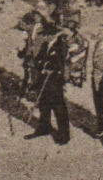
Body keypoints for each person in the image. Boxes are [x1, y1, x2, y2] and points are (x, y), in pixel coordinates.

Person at [27, 12, 72, 145]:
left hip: (55, 79)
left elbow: (62, 60)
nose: (45, 36)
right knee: (43, 104)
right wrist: (41, 66)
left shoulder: (61, 43)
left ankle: (64, 135)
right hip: (44, 77)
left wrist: (51, 67)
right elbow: (41, 57)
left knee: (59, 107)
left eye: (47, 34)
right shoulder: (47, 43)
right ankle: (43, 127)